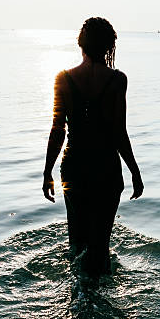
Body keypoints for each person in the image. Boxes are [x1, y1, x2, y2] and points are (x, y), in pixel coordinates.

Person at [43, 17, 143, 276]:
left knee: (77, 242)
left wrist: (47, 173)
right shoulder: (118, 80)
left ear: (81, 44)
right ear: (110, 47)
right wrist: (135, 171)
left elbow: (57, 131)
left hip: (74, 166)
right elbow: (119, 132)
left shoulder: (63, 79)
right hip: (106, 168)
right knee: (101, 245)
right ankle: (101, 302)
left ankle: (77, 298)